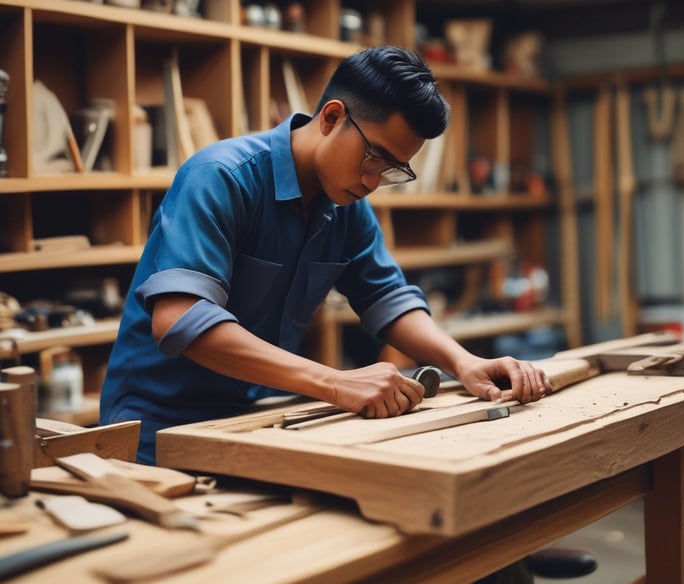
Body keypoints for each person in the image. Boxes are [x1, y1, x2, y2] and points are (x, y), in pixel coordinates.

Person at [99, 45, 553, 465]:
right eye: (373, 158)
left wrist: (463, 362)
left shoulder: (345, 206)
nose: (374, 181)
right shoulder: (220, 177)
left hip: (250, 418)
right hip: (152, 427)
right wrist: (337, 381)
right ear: (332, 117)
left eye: (393, 169)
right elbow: (180, 318)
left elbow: (388, 299)